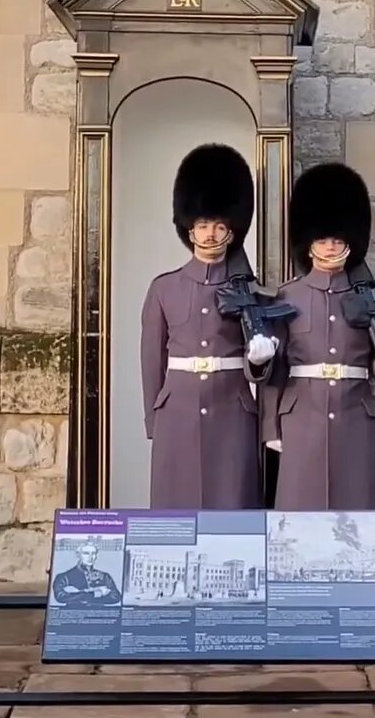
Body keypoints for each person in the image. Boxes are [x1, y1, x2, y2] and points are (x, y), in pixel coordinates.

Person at [260, 162, 375, 510]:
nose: (329, 247)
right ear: (309, 243)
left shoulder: (367, 298)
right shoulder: (288, 297)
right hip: (301, 417)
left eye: (338, 240)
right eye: (323, 240)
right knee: (300, 510)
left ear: (350, 242)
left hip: (352, 414)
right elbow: (276, 371)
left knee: (356, 509)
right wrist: (270, 427)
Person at [141, 144, 277, 509]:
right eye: (203, 225)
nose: (211, 234)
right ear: (190, 229)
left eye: (219, 225)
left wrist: (258, 362)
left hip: (232, 409)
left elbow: (263, 369)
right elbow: (152, 361)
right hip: (178, 411)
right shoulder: (164, 288)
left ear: (232, 230)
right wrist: (154, 418)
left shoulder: (251, 291)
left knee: (232, 504)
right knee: (177, 510)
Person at [52, 542, 122, 607]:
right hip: (73, 613)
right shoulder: (64, 577)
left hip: (99, 613)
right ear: (78, 555)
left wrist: (79, 594)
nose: (90, 557)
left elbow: (116, 597)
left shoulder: (104, 576)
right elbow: (60, 597)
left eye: (93, 553)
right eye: (86, 553)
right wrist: (95, 593)